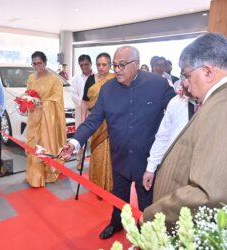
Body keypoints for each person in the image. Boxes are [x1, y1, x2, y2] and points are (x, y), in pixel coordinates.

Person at [59, 46, 175, 239]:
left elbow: (176, 111)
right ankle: (116, 223)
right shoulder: (108, 89)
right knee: (118, 196)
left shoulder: (158, 85)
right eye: (115, 65)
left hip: (147, 160)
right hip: (119, 156)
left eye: (122, 65)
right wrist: (74, 143)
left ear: (136, 65)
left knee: (146, 202)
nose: (117, 69)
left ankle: (147, 232)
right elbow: (93, 119)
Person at [142, 32, 227, 227]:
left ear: (207, 71)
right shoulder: (214, 101)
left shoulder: (222, 106)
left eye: (187, 75)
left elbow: (209, 193)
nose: (184, 83)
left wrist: (153, 215)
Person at [143, 83, 198, 191]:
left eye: (188, 76)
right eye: (183, 77)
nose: (184, 83)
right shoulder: (177, 101)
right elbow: (163, 137)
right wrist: (151, 168)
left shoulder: (217, 103)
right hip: (174, 168)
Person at [26, 51, 66, 187]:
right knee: (33, 145)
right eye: (34, 63)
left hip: (47, 119)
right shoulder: (31, 78)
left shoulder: (55, 79)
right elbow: (28, 93)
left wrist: (42, 103)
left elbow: (57, 99)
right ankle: (35, 176)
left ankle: (48, 173)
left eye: (39, 63)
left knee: (45, 145)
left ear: (45, 62)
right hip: (34, 117)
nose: (37, 66)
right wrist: (27, 100)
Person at [81, 52, 115, 192]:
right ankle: (97, 183)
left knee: (112, 152)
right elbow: (85, 101)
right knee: (97, 150)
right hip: (95, 121)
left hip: (112, 122)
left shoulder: (114, 79)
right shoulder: (91, 79)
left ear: (110, 65)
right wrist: (83, 121)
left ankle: (110, 183)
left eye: (104, 65)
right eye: (99, 65)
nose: (101, 68)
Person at [70, 54, 93, 170]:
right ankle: (79, 161)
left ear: (91, 64)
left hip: (96, 112)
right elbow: (73, 96)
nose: (84, 67)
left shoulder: (97, 77)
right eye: (82, 65)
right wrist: (85, 105)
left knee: (96, 137)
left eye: (86, 64)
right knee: (81, 136)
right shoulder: (75, 79)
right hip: (80, 111)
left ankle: (95, 161)